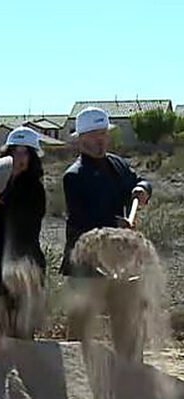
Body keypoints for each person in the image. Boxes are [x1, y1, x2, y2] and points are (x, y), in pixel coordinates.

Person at [61, 106, 153, 360]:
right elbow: (83, 220)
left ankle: (131, 372)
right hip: (86, 264)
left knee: (129, 320)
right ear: (81, 139)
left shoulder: (117, 165)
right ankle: (77, 374)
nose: (99, 140)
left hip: (121, 262)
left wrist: (142, 189)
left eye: (102, 134)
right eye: (92, 135)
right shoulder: (74, 176)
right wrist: (116, 228)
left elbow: (139, 181)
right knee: (81, 326)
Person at [0, 127, 47, 338]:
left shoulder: (34, 189)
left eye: (24, 153)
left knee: (22, 330)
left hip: (25, 266)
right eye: (14, 152)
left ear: (32, 157)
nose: (18, 158)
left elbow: (24, 222)